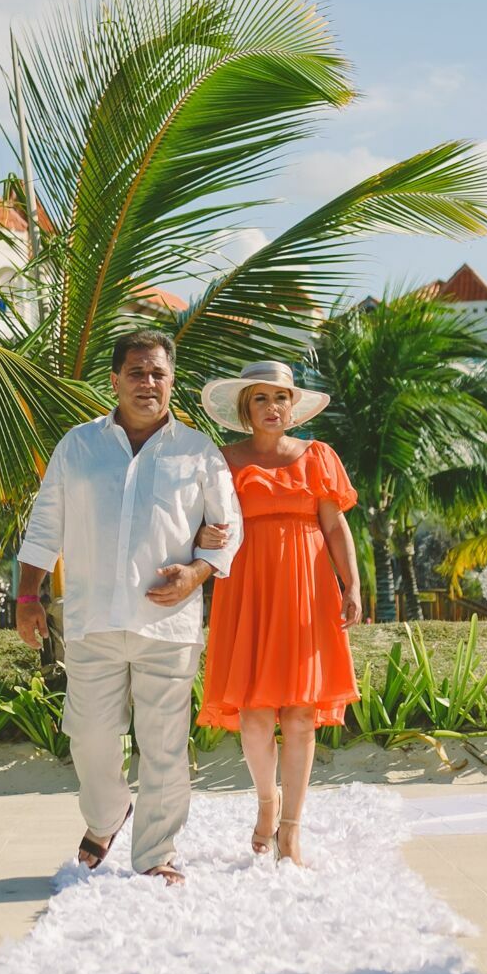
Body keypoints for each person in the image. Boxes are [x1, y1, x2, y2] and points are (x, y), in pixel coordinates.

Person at [15, 330, 243, 886]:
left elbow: (227, 528)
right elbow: (46, 523)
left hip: (168, 623)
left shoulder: (197, 452)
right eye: (136, 372)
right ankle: (108, 813)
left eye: (158, 374)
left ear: (171, 381)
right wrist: (27, 595)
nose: (148, 383)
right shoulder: (78, 447)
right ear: (114, 380)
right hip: (92, 618)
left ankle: (155, 855)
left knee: (163, 744)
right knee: (88, 736)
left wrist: (197, 572)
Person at [188, 361, 360, 866]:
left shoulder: (318, 457)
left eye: (280, 397)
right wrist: (202, 538)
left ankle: (291, 830)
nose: (272, 407)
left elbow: (334, 528)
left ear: (293, 406)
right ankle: (267, 803)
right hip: (248, 589)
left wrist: (351, 583)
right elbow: (201, 525)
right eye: (260, 398)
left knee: (301, 715)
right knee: (256, 716)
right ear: (246, 408)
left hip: (307, 590)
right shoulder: (222, 461)